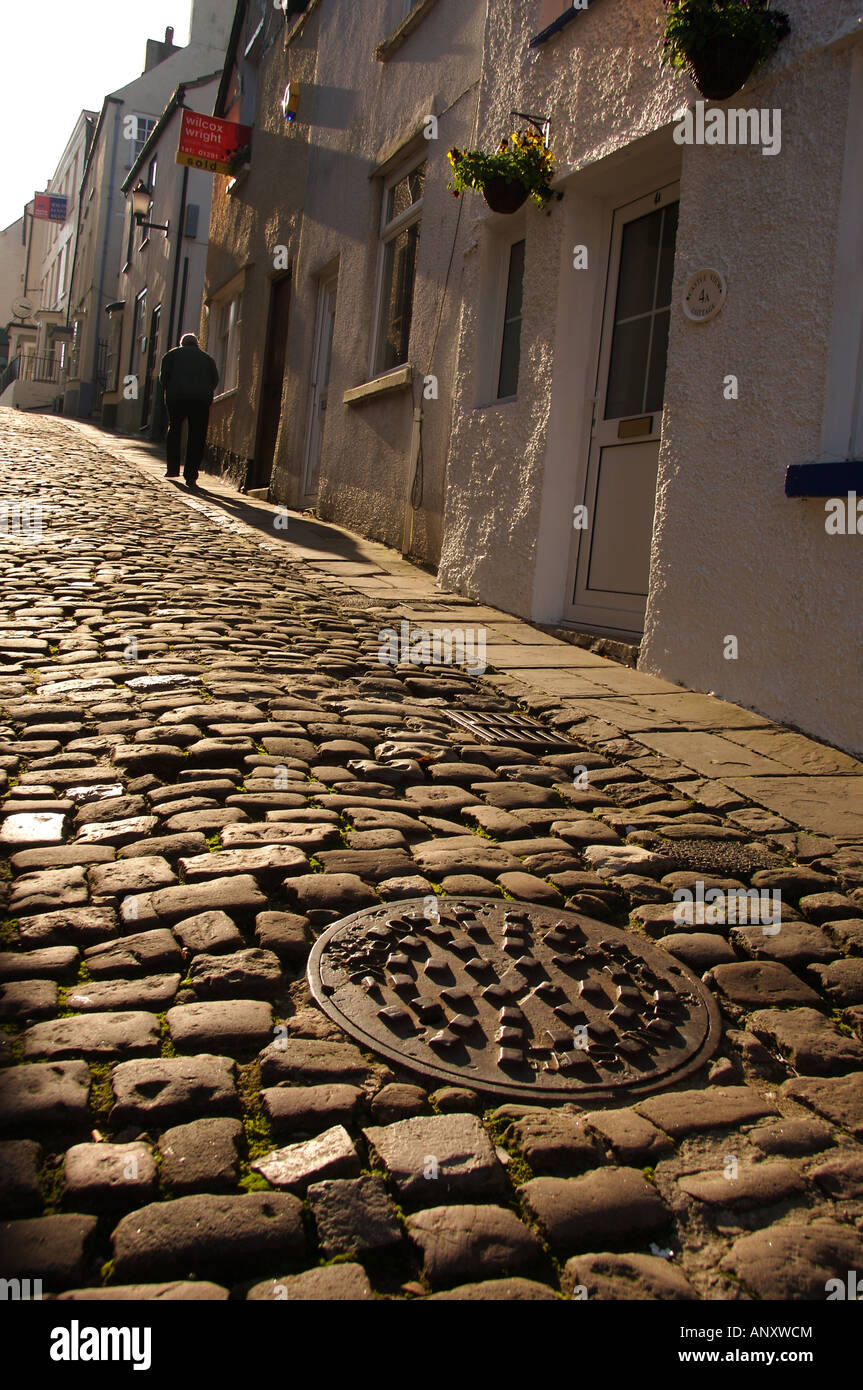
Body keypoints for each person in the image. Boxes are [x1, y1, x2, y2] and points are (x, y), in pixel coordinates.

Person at [158, 332, 220, 487]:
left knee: (174, 430)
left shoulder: (171, 355)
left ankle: (172, 469)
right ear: (196, 344)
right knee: (197, 435)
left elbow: (163, 377)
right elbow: (215, 380)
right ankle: (191, 474)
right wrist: (205, 391)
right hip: (200, 400)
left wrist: (170, 390)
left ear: (182, 344)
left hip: (177, 398)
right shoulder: (207, 359)